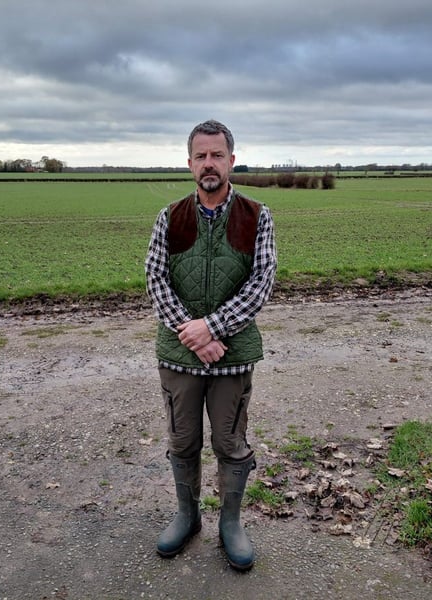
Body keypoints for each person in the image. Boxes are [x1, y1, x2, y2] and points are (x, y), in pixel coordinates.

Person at [145, 120, 277, 571]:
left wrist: (215, 328)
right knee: (182, 442)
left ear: (231, 161)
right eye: (200, 156)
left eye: (216, 155)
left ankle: (231, 523)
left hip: (232, 356)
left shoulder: (257, 216)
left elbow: (261, 283)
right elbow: (156, 279)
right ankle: (187, 516)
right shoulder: (170, 216)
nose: (208, 164)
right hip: (180, 355)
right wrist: (192, 331)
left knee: (230, 443)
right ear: (189, 164)